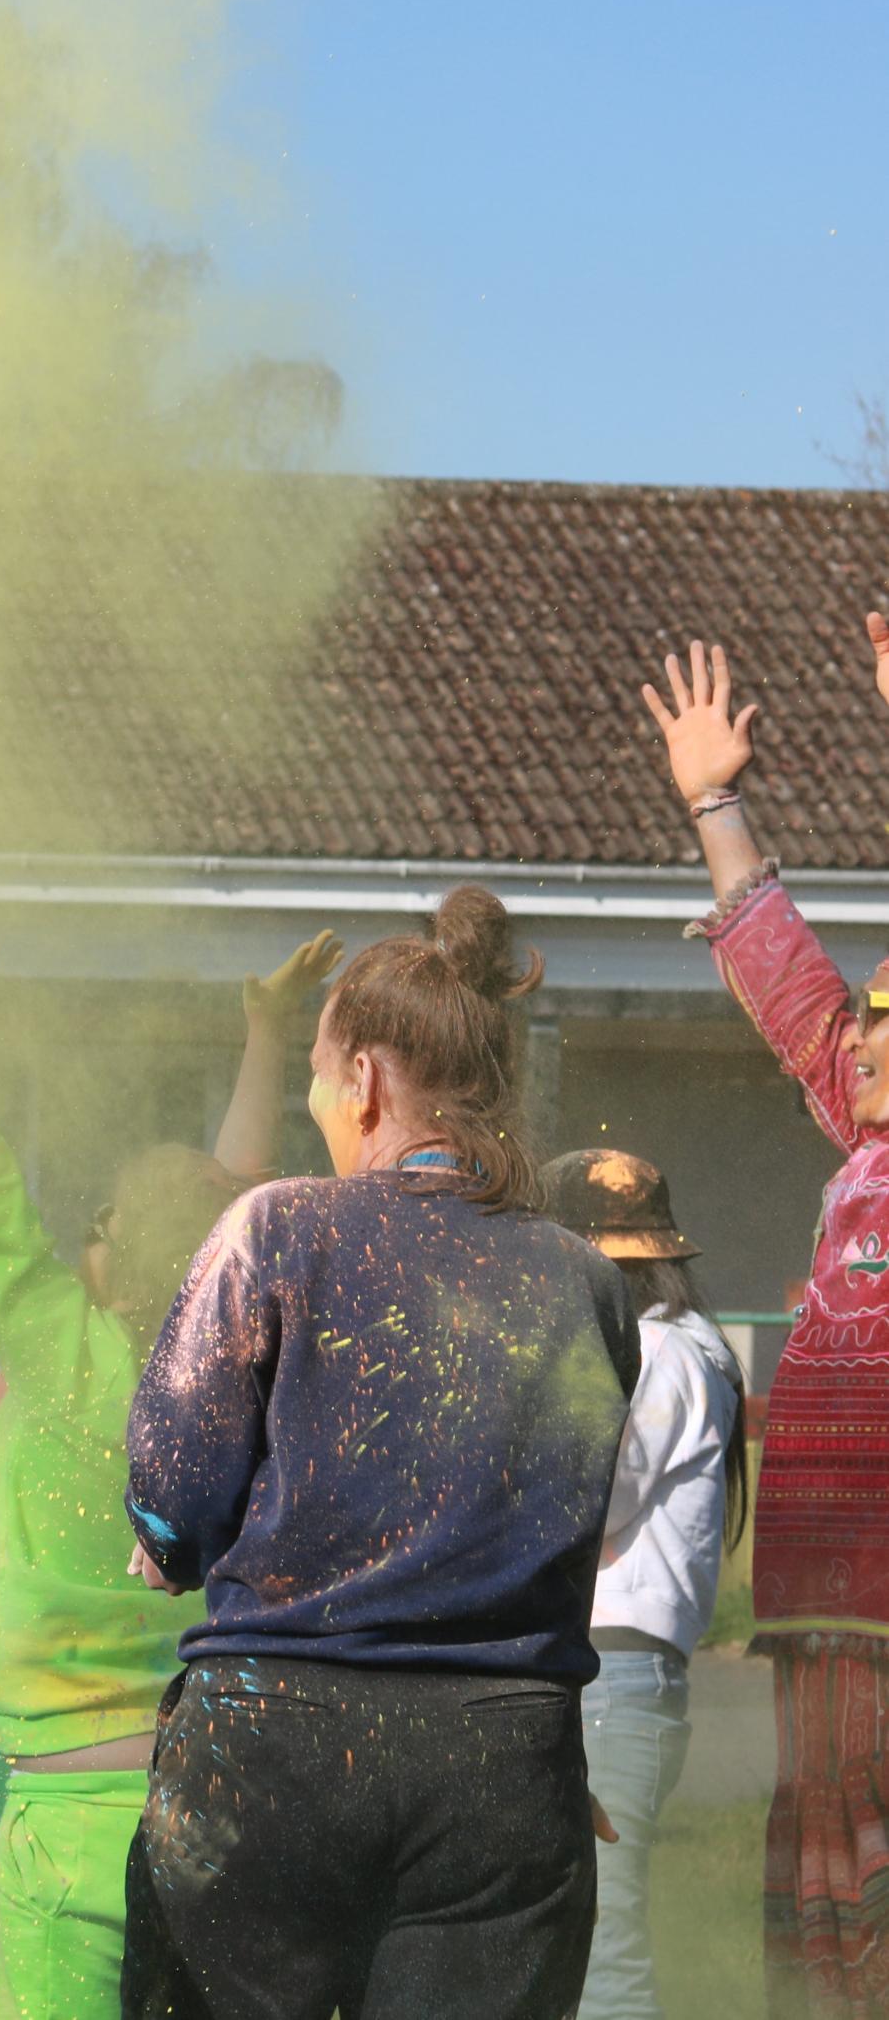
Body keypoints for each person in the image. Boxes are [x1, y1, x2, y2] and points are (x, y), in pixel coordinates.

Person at [122, 886, 640, 2020]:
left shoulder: (275, 1228)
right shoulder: (587, 1282)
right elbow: (575, 1519)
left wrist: (168, 1542)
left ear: (361, 1078)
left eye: (313, 1071)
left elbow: (168, 1502)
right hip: (506, 1766)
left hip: (273, 1747)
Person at [0, 932, 342, 2020]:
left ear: (104, 1244)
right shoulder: (246, 1383)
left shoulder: (58, 1355)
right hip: (221, 1809)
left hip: (72, 1823)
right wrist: (267, 1035)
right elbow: (227, 1213)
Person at [643, 624, 889, 2017]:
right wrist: (714, 802)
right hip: (830, 1614)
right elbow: (788, 971)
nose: (858, 1027)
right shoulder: (859, 1135)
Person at [542, 1149, 747, 2020]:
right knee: (582, 1939)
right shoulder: (683, 1345)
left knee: (599, 1954)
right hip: (622, 1674)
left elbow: (597, 1500)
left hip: (612, 1676)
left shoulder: (659, 1351)